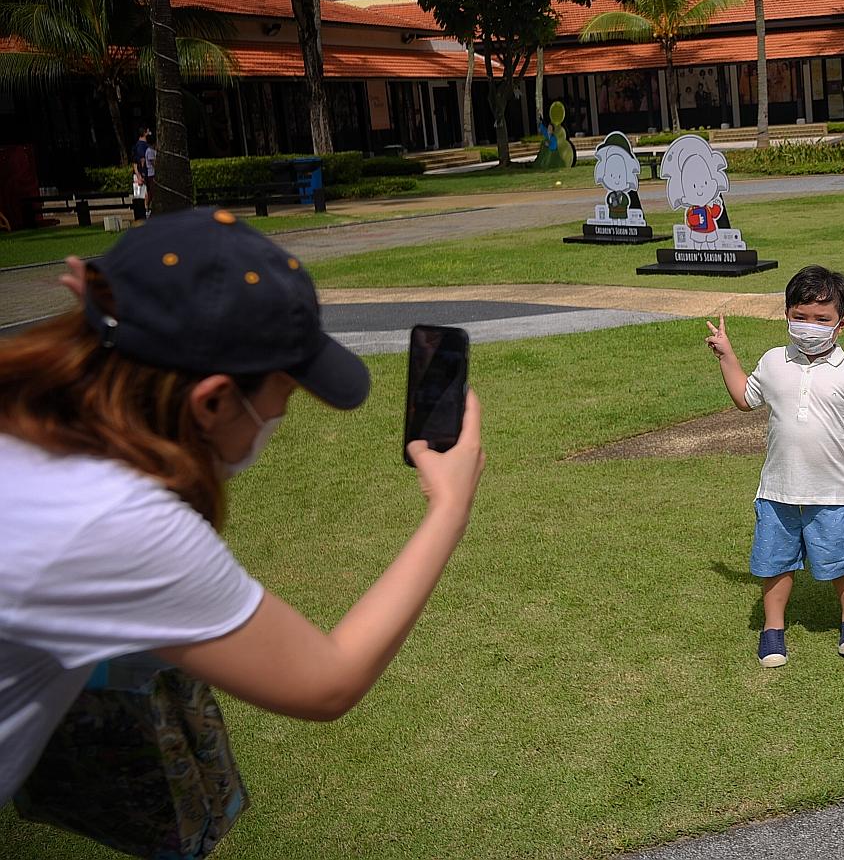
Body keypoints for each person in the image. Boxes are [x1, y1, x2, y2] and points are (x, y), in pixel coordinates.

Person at [0, 209, 487, 804]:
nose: (280, 416)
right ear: (212, 403)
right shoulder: (112, 521)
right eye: (283, 392)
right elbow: (327, 682)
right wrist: (449, 506)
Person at [703, 266, 844, 666]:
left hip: (834, 490)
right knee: (774, 560)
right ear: (786, 314)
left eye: (822, 319)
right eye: (800, 317)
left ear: (842, 323)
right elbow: (745, 399)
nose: (809, 326)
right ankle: (773, 629)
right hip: (778, 488)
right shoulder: (772, 362)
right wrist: (727, 355)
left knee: (843, 558)